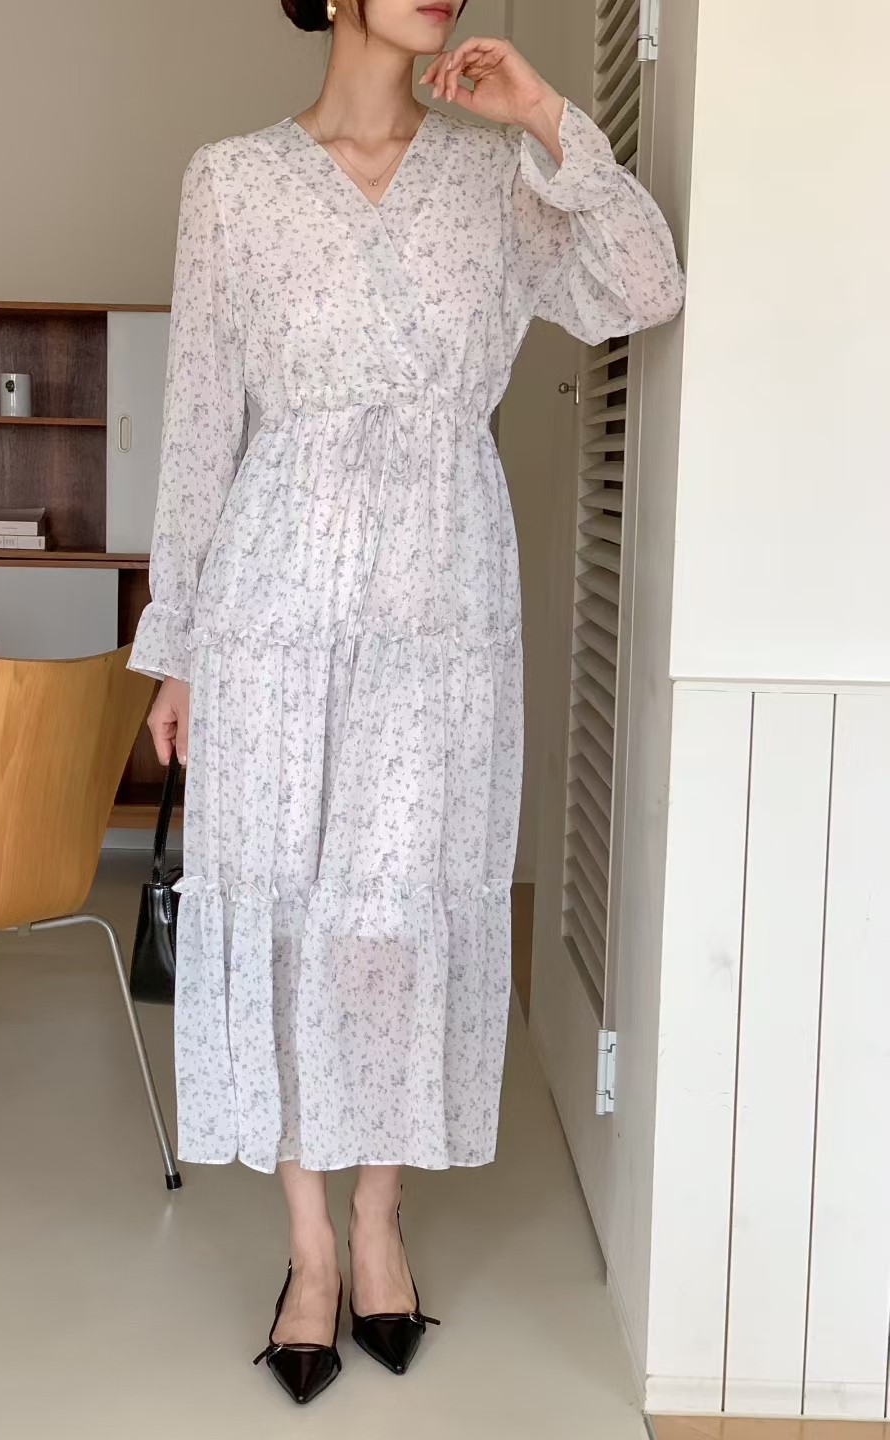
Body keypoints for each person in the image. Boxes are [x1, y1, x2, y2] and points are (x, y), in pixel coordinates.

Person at [129, 0, 684, 1406]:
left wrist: (547, 115)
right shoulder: (232, 184)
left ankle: (381, 1218)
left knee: (394, 915)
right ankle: (310, 1247)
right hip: (273, 608)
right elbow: (199, 426)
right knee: (286, 910)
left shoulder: (495, 177)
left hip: (442, 609)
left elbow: (644, 285)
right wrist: (177, 645)